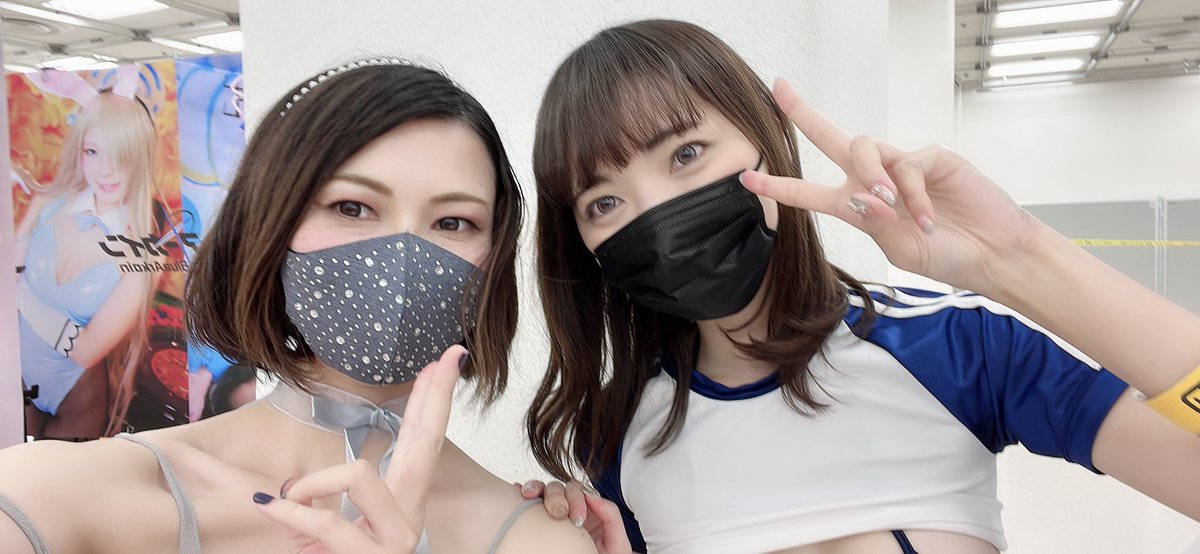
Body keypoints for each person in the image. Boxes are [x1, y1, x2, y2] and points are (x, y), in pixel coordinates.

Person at [525, 19, 1200, 553]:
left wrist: (1018, 257)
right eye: (604, 202)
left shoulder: (953, 347)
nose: (656, 215)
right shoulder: (617, 434)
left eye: (686, 154)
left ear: (768, 140)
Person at [0, 59, 609, 554]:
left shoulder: (540, 537)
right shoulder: (55, 497)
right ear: (271, 222)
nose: (401, 256)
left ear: (495, 257)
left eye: (453, 221)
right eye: (352, 207)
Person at [14, 66, 160, 440]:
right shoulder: (49, 203)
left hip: (77, 400)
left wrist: (20, 294)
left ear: (140, 156)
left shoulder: (144, 258)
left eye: (120, 155)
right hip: (17, 378)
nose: (105, 171)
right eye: (92, 151)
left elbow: (86, 352)